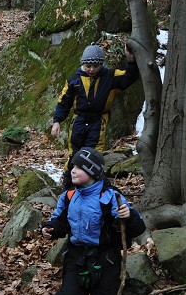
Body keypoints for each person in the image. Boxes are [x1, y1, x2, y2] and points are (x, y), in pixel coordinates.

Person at [40, 148, 145, 295]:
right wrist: (50, 229)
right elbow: (60, 221)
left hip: (105, 258)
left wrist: (128, 216)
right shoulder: (69, 195)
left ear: (94, 172)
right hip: (77, 255)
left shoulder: (110, 196)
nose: (73, 170)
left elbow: (136, 227)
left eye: (80, 167)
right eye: (73, 166)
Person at [50, 42, 139, 189]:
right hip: (78, 121)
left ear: (101, 64)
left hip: (98, 121)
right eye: (88, 66)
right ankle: (67, 189)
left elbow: (128, 78)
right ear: (83, 64)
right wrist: (57, 121)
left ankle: (93, 189)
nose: (92, 69)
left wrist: (131, 61)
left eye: (96, 66)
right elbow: (63, 101)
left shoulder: (110, 76)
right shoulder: (74, 80)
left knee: (93, 155)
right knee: (75, 155)